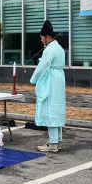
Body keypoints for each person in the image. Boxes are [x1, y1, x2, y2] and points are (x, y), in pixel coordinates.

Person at [30, 20, 66, 153]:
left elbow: (42, 67)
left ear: (47, 37)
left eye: (41, 38)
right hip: (58, 80)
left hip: (51, 81)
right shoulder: (59, 48)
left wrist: (34, 79)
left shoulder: (50, 50)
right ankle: (55, 141)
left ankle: (53, 143)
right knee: (55, 110)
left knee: (51, 111)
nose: (41, 41)